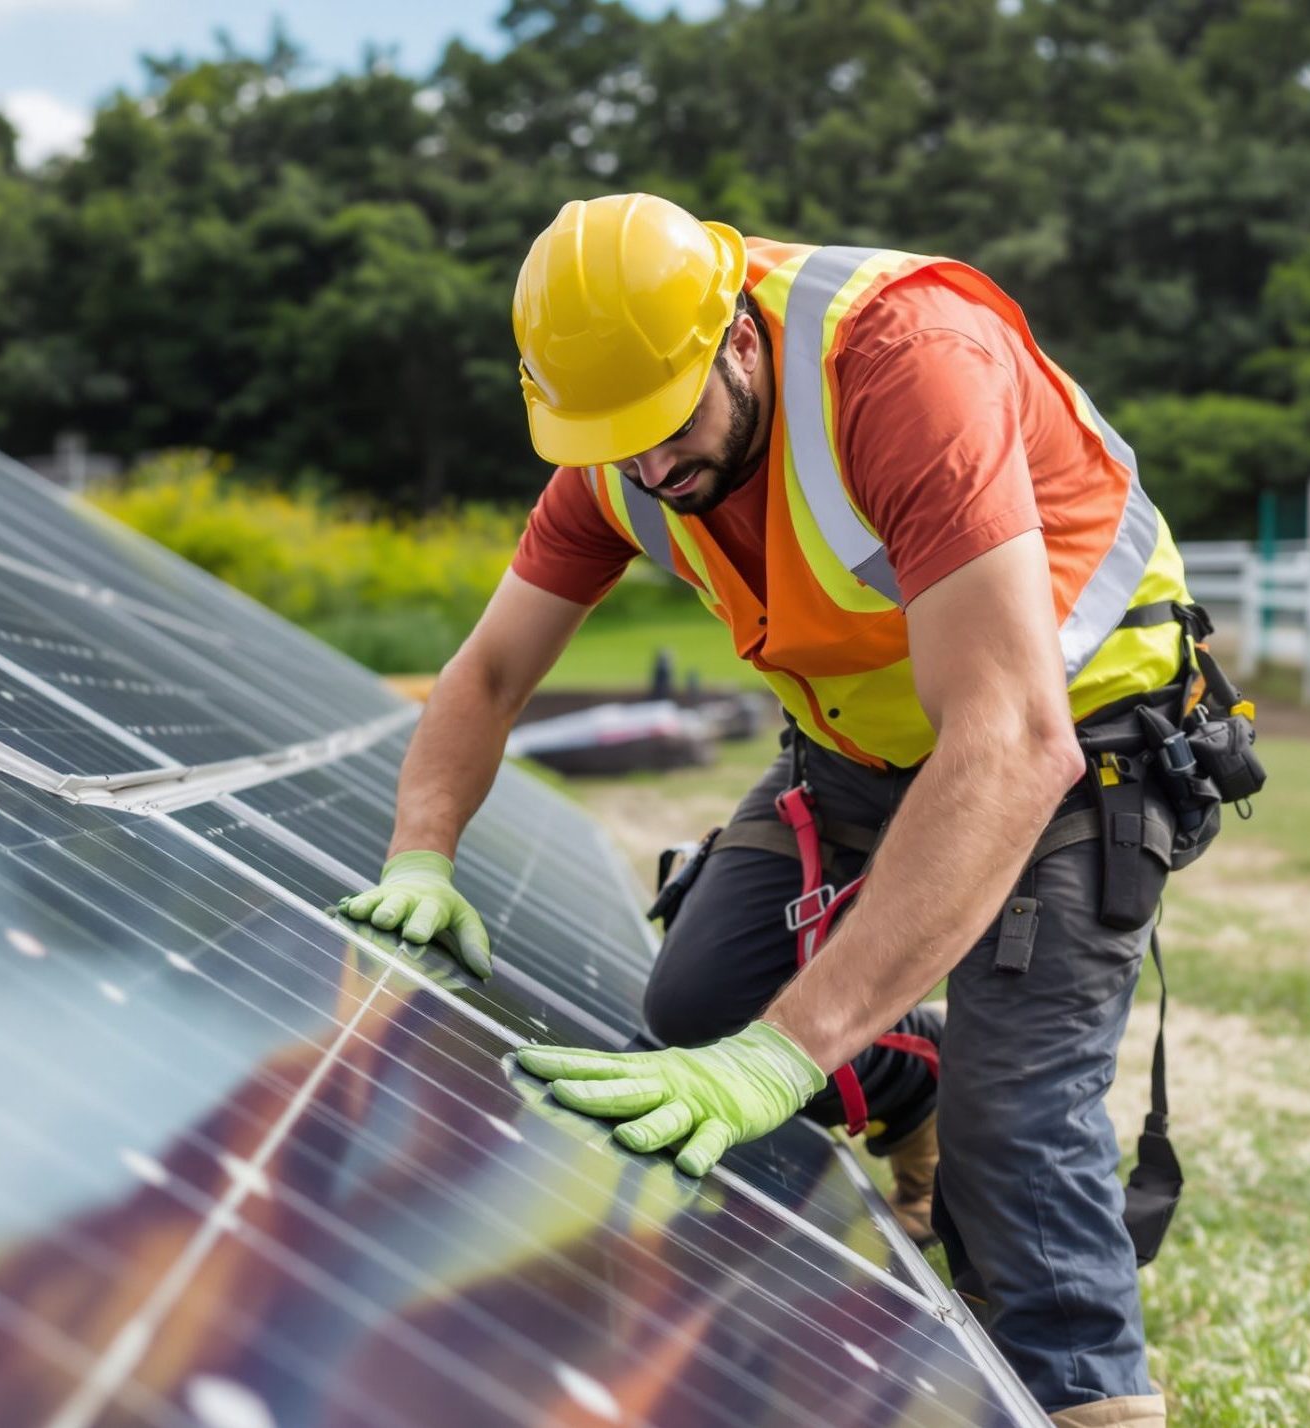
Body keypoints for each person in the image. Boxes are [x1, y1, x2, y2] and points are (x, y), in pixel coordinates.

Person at [343, 192, 1198, 1427]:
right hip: (856, 746)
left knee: (1017, 1113)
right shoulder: (615, 445)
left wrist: (788, 1056)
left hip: (1081, 735)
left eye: (663, 424)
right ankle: (912, 1089)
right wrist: (420, 859)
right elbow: (485, 675)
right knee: (697, 1011)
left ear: (737, 339)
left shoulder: (907, 369)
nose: (649, 467)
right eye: (611, 439)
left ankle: (1086, 1399)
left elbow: (1011, 742)